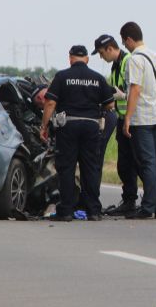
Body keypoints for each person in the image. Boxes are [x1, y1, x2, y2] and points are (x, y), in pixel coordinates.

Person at [40, 45, 114, 222]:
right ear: (87, 59)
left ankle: (66, 211)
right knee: (91, 168)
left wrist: (44, 126)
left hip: (68, 126)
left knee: (67, 168)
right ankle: (94, 211)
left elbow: (50, 103)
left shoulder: (62, 76)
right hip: (91, 126)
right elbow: (110, 105)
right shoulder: (97, 78)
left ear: (70, 58)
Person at [120, 22, 156, 219]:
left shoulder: (135, 59)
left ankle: (148, 207)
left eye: (124, 42)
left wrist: (127, 117)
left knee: (147, 163)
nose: (125, 46)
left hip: (142, 118)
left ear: (129, 39)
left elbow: (135, 89)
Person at [91, 34, 139, 215]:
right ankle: (129, 201)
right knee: (124, 165)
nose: (102, 58)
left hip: (132, 119)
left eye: (102, 53)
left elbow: (136, 90)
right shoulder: (116, 65)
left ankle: (137, 201)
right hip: (121, 118)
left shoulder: (128, 61)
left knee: (135, 163)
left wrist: (123, 95)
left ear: (110, 49)